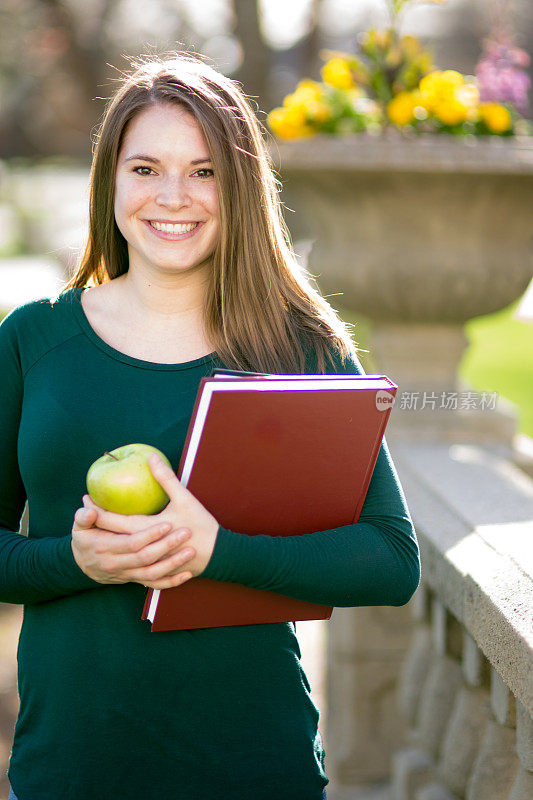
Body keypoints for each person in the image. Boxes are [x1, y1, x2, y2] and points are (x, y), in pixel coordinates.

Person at [0, 52, 420, 800]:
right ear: (111, 180)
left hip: (255, 764)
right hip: (71, 765)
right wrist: (78, 561)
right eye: (145, 169)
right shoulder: (33, 340)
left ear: (240, 186)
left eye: (204, 171)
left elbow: (389, 561)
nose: (174, 196)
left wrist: (218, 551)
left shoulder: (299, 347)